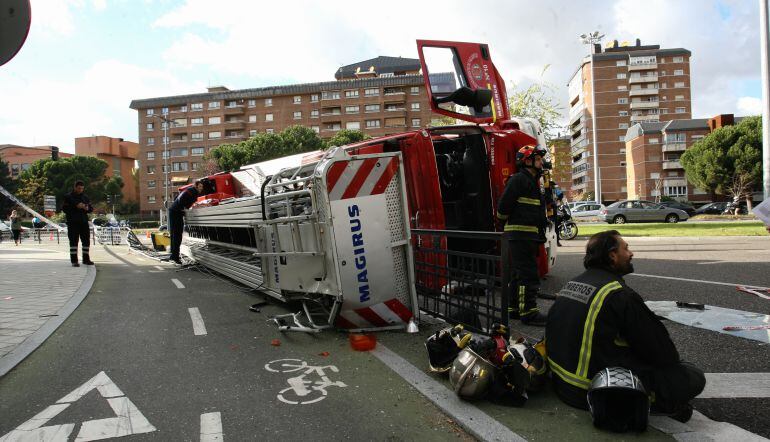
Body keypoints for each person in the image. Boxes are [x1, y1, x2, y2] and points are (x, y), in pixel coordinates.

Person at [545, 230, 705, 422]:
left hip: (560, 384)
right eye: (626, 248)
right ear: (612, 255)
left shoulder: (572, 284)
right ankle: (654, 403)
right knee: (691, 376)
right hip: (591, 393)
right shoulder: (619, 295)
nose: (631, 254)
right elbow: (664, 354)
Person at [496, 145, 548, 326]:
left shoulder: (533, 182)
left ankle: (515, 309)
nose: (542, 162)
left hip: (527, 235)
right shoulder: (519, 180)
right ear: (527, 161)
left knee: (518, 274)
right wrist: (504, 225)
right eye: (538, 159)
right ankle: (529, 312)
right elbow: (503, 207)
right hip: (521, 235)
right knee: (528, 274)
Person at [167, 180, 204, 264]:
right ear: (196, 186)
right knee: (177, 235)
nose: (201, 188)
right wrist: (184, 209)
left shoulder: (190, 190)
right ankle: (175, 257)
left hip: (174, 211)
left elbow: (178, 198)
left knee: (174, 234)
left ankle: (173, 256)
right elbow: (180, 200)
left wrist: (185, 208)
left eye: (202, 187)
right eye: (200, 186)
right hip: (176, 213)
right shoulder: (193, 192)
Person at [62, 181, 94, 267]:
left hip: (84, 222)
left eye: (82, 188)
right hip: (73, 223)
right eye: (79, 188)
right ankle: (74, 261)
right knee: (73, 242)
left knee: (86, 241)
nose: (80, 190)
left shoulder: (85, 197)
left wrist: (87, 208)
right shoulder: (68, 197)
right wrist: (76, 206)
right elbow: (64, 209)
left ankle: (86, 259)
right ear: (75, 187)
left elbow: (91, 209)